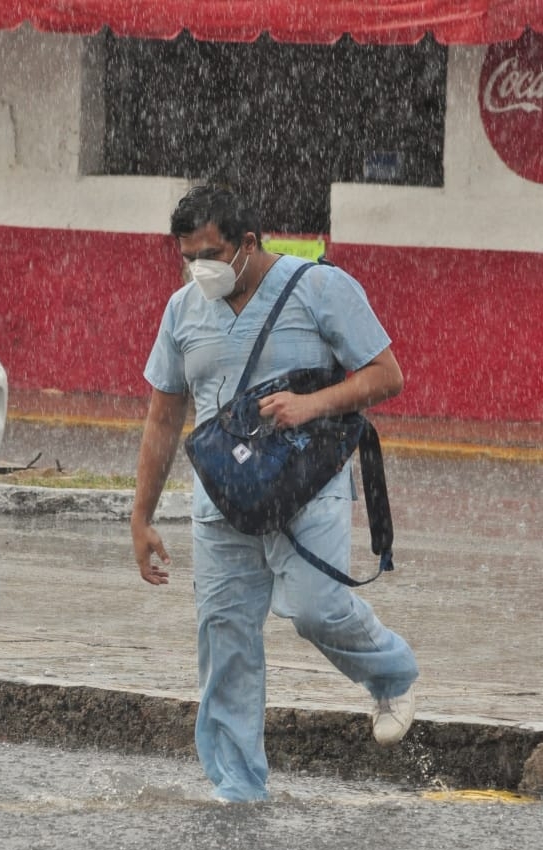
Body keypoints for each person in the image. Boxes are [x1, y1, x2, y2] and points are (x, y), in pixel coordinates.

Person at [130, 184, 419, 803]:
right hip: (221, 503)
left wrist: (310, 404)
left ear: (248, 244)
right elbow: (162, 417)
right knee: (225, 639)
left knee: (316, 608)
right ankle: (238, 788)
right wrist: (142, 515)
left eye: (209, 252)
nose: (197, 268)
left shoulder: (319, 288)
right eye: (187, 256)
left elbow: (386, 375)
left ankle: (391, 674)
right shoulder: (182, 311)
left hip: (307, 489)